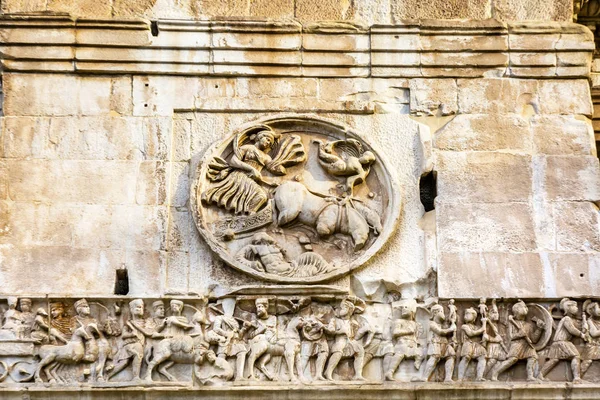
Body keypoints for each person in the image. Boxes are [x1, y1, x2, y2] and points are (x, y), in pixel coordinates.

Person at [203, 128, 281, 214]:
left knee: (261, 197)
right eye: (268, 139)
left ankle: (250, 215)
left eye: (270, 143)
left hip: (251, 180)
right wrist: (251, 169)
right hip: (240, 176)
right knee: (261, 196)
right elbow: (233, 161)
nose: (268, 143)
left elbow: (273, 169)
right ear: (260, 137)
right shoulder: (247, 147)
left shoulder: (266, 157)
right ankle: (250, 215)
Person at [490, 300, 546, 382]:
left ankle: (530, 376)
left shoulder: (529, 325)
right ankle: (495, 373)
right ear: (516, 311)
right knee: (513, 359)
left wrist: (539, 329)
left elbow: (534, 339)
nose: (525, 308)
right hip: (516, 344)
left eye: (525, 307)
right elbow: (511, 337)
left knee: (532, 357)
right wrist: (519, 334)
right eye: (522, 307)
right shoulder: (511, 323)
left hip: (527, 345)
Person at [538, 298, 587, 383]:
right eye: (574, 306)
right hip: (562, 342)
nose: (577, 308)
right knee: (576, 356)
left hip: (559, 342)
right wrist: (581, 335)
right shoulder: (566, 319)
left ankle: (540, 375)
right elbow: (571, 330)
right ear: (568, 308)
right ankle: (576, 378)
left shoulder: (568, 319)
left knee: (554, 360)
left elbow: (558, 328)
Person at [412, 303, 456, 382]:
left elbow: (447, 330)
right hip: (434, 341)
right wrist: (451, 329)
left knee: (451, 355)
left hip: (444, 342)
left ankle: (448, 378)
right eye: (441, 311)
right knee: (434, 357)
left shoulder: (442, 324)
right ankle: (424, 377)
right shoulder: (431, 323)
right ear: (435, 312)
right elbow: (440, 332)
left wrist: (452, 323)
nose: (443, 314)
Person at [382, 300, 422, 381]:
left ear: (412, 311)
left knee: (420, 353)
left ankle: (418, 367)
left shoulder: (415, 324)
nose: (404, 309)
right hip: (402, 343)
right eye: (403, 308)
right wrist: (408, 331)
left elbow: (417, 336)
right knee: (399, 354)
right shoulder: (398, 321)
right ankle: (390, 372)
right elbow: (395, 332)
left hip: (412, 344)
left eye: (406, 307)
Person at [458, 307, 487, 381]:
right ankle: (460, 378)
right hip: (467, 343)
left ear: (474, 317)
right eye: (466, 314)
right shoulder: (464, 326)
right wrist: (483, 326)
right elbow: (471, 333)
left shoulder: (476, 327)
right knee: (466, 358)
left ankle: (479, 377)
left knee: (482, 356)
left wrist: (484, 323)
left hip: (475, 345)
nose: (466, 315)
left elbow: (483, 333)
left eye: (468, 314)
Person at [582, 300, 600, 377]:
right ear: (591, 311)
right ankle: (579, 376)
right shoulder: (589, 321)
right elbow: (594, 333)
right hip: (592, 345)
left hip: (598, 345)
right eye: (598, 308)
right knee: (587, 362)